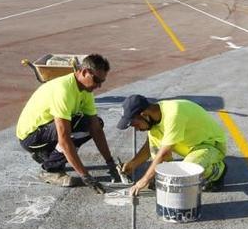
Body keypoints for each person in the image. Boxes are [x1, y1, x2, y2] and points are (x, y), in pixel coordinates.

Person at [16, 54, 120, 193]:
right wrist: (86, 176)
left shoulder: (86, 90)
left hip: (46, 130)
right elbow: (64, 139)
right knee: (73, 126)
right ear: (84, 72)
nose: (99, 85)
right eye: (96, 80)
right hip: (31, 137)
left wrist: (110, 162)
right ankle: (51, 170)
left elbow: (96, 129)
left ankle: (47, 155)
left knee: (94, 123)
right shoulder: (63, 90)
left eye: (102, 81)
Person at [116, 95, 227, 196]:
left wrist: (144, 181)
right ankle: (165, 175)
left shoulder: (173, 114)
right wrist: (132, 164)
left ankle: (218, 171)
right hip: (190, 144)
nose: (136, 129)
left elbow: (163, 153)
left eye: (135, 124)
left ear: (144, 114)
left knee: (188, 169)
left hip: (211, 145)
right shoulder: (155, 119)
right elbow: (150, 148)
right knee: (155, 146)